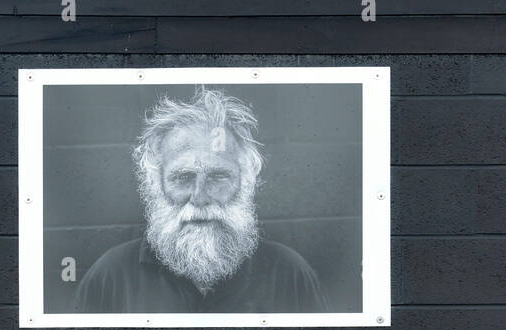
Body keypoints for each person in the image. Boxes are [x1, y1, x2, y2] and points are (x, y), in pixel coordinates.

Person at [74, 87, 328, 314]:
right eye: (183, 177)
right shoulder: (110, 276)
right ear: (155, 184)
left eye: (218, 177)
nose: (199, 198)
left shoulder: (290, 274)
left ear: (246, 182)